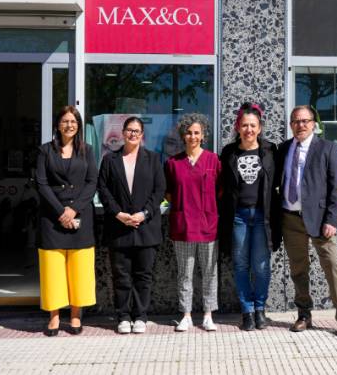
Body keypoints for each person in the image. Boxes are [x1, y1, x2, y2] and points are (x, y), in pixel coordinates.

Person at [275, 105, 337, 338]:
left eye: (305, 121)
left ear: (313, 123)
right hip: (290, 218)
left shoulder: (328, 148)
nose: (301, 125)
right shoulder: (284, 148)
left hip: (320, 221)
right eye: (296, 121)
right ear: (291, 125)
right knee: (298, 269)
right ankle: (304, 314)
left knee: (332, 267)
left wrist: (332, 219)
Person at [97, 116, 165, 335]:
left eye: (137, 131)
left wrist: (144, 214)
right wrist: (118, 213)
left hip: (146, 227)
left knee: (143, 275)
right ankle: (123, 316)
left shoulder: (153, 159)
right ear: (123, 132)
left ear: (142, 135)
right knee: (121, 276)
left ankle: (140, 316)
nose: (133, 134)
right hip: (118, 227)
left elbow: (159, 191)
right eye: (129, 130)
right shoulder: (110, 159)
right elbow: (103, 189)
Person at [35, 106, 98, 337]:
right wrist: (61, 211)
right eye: (65, 121)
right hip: (52, 218)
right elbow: (41, 183)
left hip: (80, 215)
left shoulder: (87, 150)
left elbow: (92, 182)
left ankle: (75, 315)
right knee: (52, 268)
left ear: (78, 125)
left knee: (79, 268)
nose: (69, 125)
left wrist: (73, 209)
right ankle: (53, 316)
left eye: (73, 121)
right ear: (57, 125)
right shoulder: (45, 151)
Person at [219, 102, 279, 331]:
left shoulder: (270, 151)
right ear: (238, 127)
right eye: (244, 125)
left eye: (253, 125)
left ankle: (260, 309)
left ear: (260, 127)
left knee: (261, 266)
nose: (249, 130)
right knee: (241, 264)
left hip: (263, 216)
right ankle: (247, 311)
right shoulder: (228, 152)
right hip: (238, 217)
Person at [164, 113, 221, 332]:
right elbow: (168, 193)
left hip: (207, 226)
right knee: (184, 273)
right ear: (183, 135)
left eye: (197, 132)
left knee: (209, 272)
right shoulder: (173, 163)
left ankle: (208, 314)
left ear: (203, 135)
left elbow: (220, 190)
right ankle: (186, 315)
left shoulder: (213, 160)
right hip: (183, 226)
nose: (193, 136)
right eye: (188, 133)